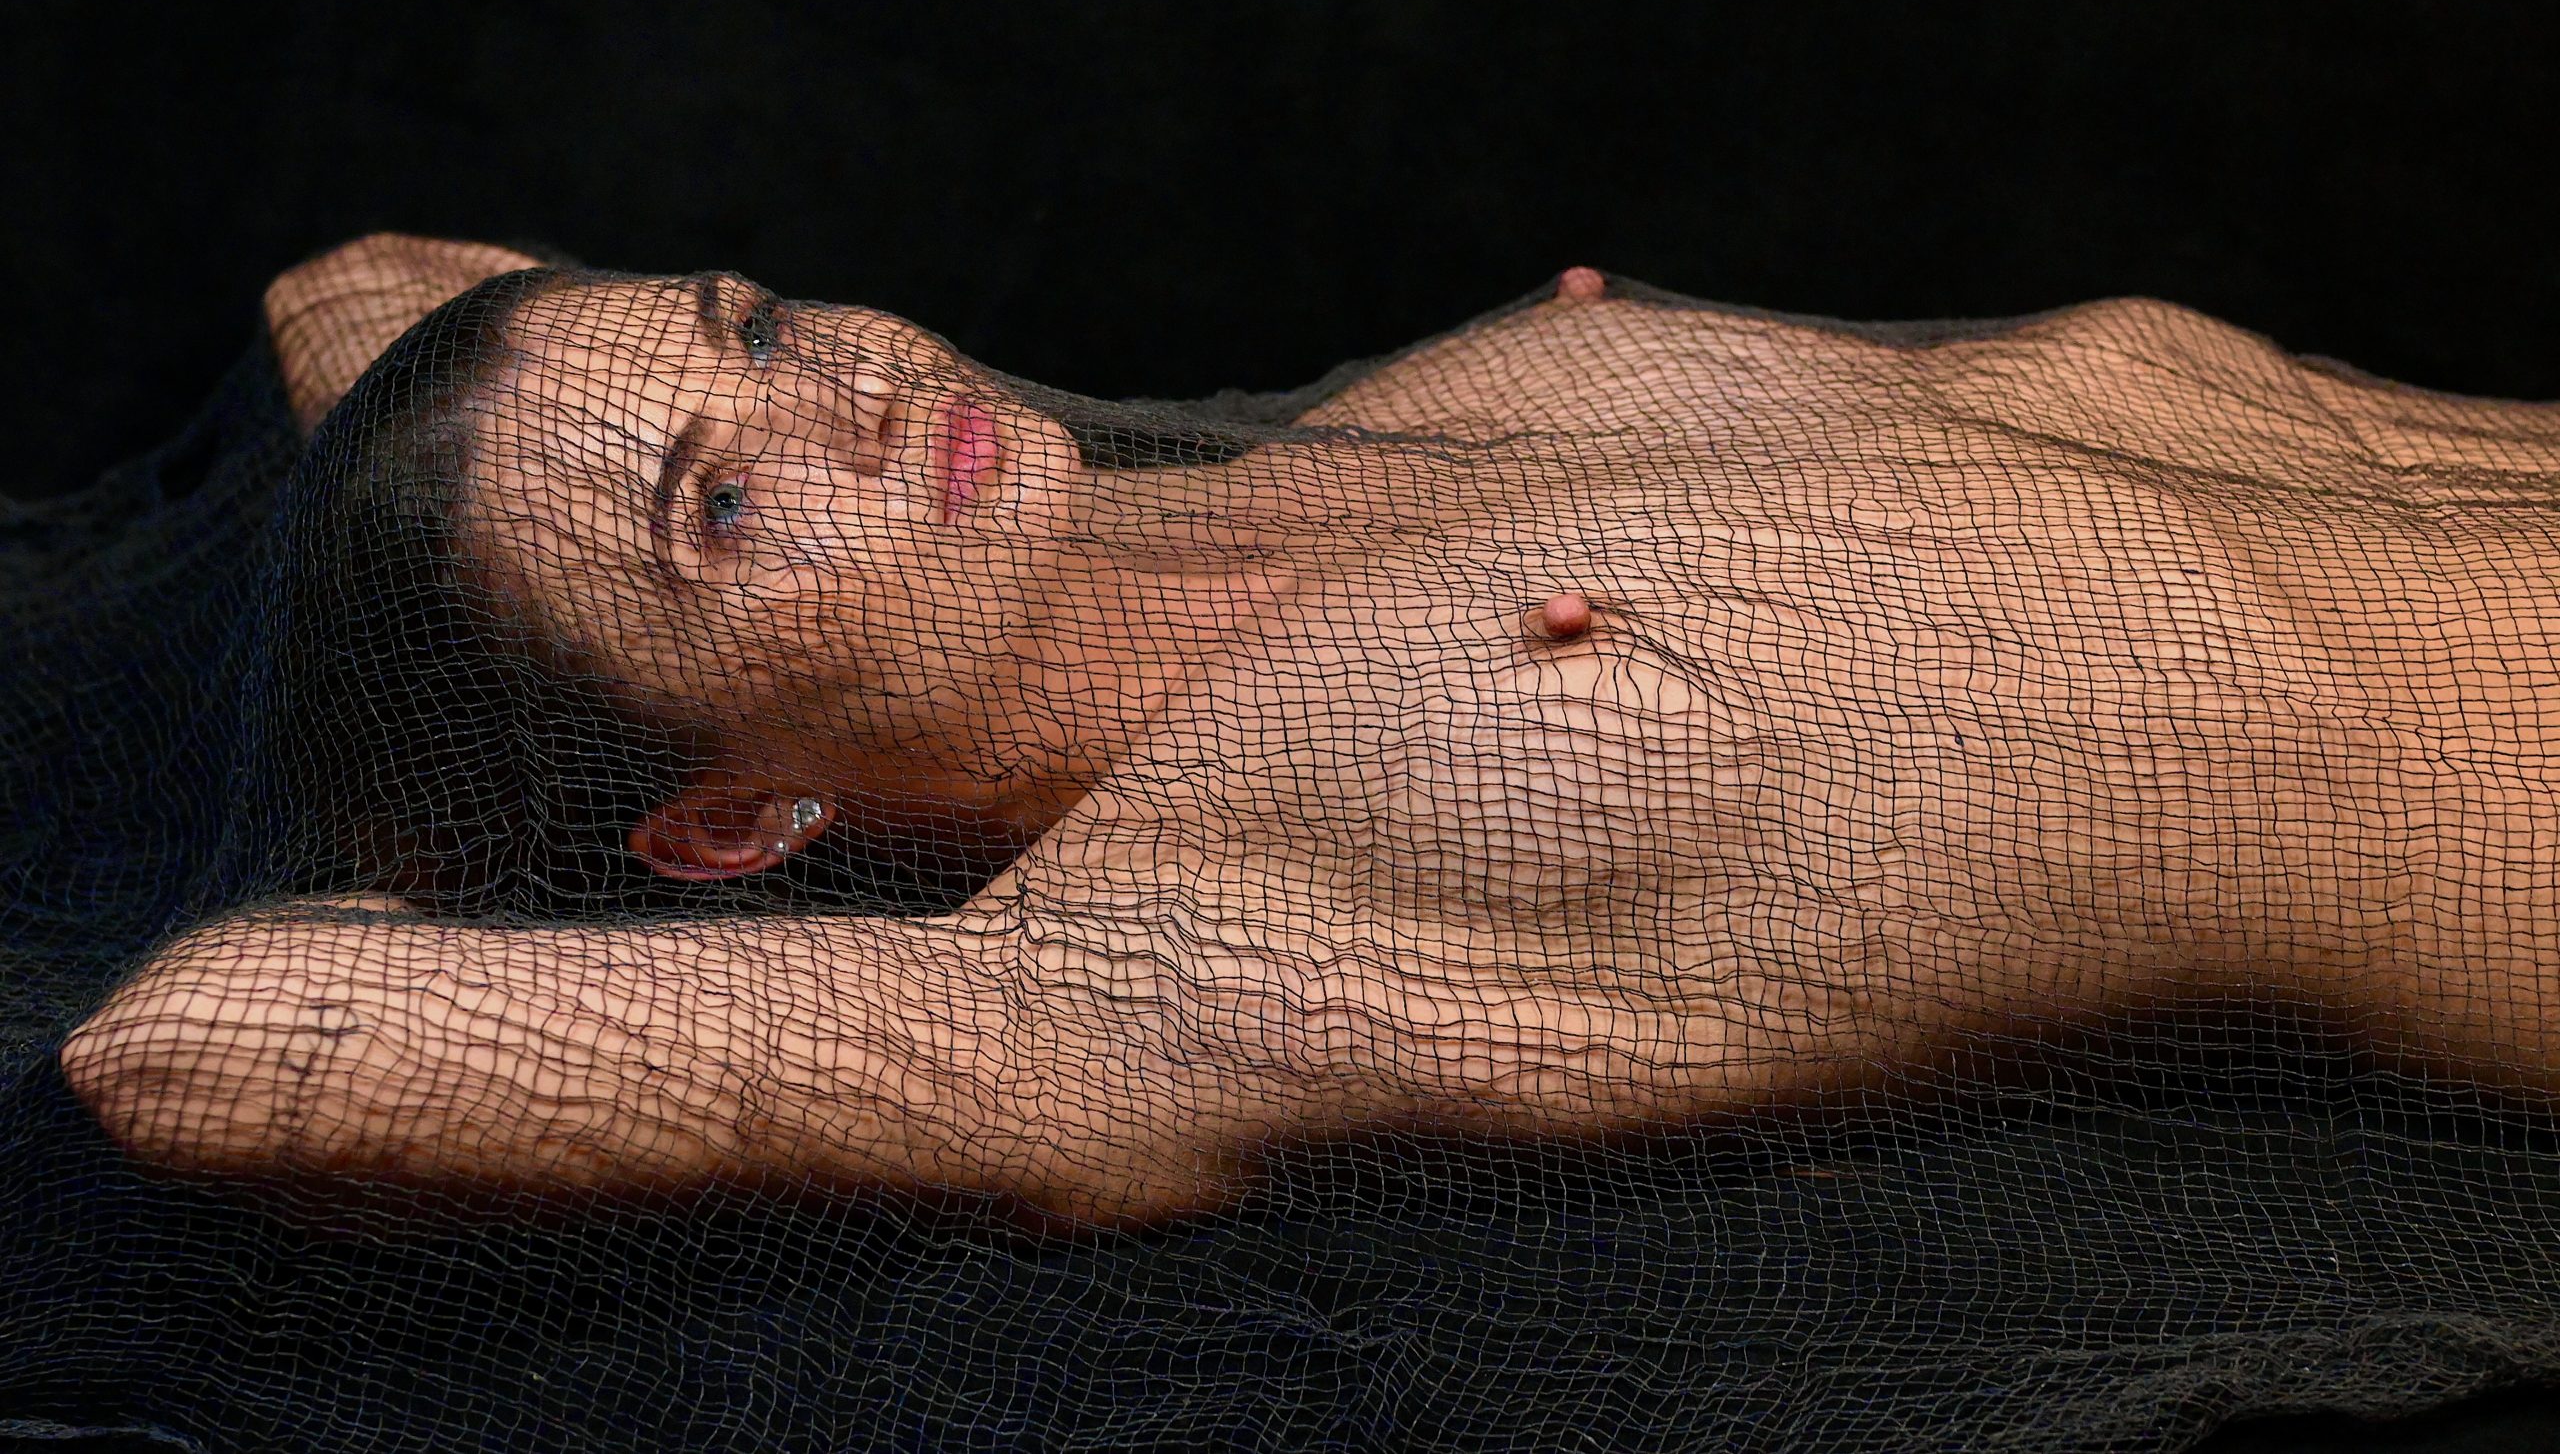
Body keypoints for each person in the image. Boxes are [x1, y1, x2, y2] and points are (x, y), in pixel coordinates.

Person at [56, 234, 2560, 1230]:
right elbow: (183, 1048)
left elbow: (349, 286)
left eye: (763, 319)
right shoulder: (1161, 950)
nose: (847, 397)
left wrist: (571, 502)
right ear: (734, 815)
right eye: (722, 508)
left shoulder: (1397, 423)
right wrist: (469, 796)